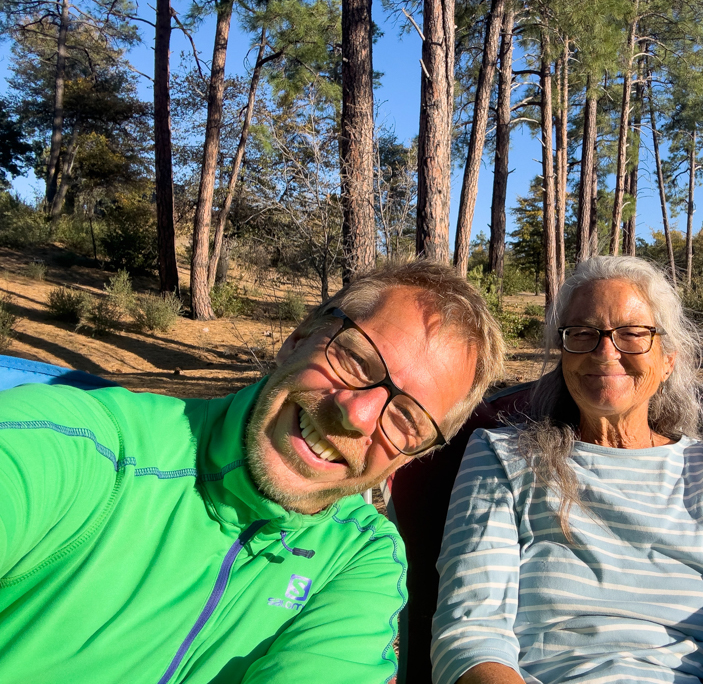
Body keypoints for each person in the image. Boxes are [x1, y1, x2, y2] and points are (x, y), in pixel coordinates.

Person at [0, 261, 504, 684]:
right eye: (355, 360)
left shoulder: (362, 557)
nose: (357, 416)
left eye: (406, 419)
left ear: (411, 455)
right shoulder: (86, 447)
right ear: (298, 337)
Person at [432, 256, 703, 684]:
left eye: (633, 334)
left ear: (668, 358)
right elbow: (472, 632)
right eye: (581, 333)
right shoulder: (503, 458)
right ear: (563, 355)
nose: (605, 352)